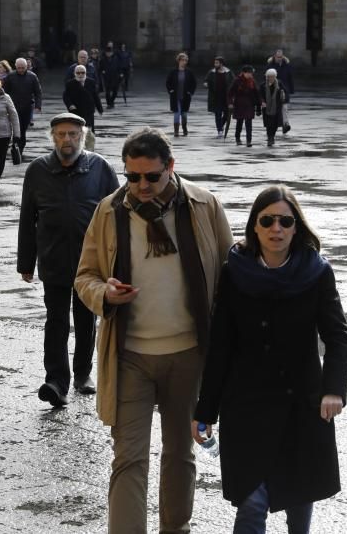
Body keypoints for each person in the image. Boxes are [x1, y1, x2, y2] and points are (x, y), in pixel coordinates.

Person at [75, 127, 233, 533]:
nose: (141, 186)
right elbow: (85, 276)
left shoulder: (203, 205)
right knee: (128, 456)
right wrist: (105, 293)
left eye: (151, 176)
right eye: (132, 177)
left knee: (181, 453)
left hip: (188, 354)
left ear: (171, 168)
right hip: (129, 355)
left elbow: (232, 276)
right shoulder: (109, 211)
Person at [192, 185, 347, 534]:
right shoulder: (235, 270)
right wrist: (205, 411)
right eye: (267, 220)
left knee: (299, 496)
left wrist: (333, 390)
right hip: (246, 404)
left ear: (296, 227)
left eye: (285, 221)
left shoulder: (317, 271)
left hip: (301, 405)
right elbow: (221, 345)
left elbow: (338, 337)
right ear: (255, 226)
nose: (276, 228)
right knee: (252, 501)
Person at [18, 113, 119, 408]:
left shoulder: (100, 168)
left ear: (83, 136)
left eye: (73, 134)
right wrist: (26, 262)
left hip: (91, 263)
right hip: (54, 259)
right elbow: (28, 218)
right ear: (53, 137)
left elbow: (117, 217)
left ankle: (83, 374)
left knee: (87, 320)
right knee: (56, 321)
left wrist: (118, 259)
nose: (67, 140)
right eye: (61, 134)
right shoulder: (38, 171)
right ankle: (56, 381)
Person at [4, 58, 44, 155]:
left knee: (22, 130)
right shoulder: (11, 76)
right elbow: (5, 92)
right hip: (13, 107)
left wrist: (38, 106)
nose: (21, 70)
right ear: (16, 67)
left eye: (23, 68)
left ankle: (20, 148)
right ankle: (15, 145)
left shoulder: (32, 76)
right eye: (19, 68)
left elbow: (38, 92)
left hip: (27, 107)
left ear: (27, 67)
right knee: (14, 128)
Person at [63, 64, 103, 146]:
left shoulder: (91, 82)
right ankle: (77, 146)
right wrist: (70, 105)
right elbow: (66, 96)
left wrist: (100, 109)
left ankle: (89, 148)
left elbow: (96, 96)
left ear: (85, 73)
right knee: (77, 129)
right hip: (76, 111)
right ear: (74, 73)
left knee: (89, 129)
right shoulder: (70, 84)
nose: (80, 75)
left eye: (82, 72)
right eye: (78, 73)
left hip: (88, 110)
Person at [227, 66, 262, 147]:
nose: (250, 74)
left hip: (250, 104)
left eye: (251, 73)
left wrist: (260, 103)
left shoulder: (252, 81)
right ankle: (237, 138)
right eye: (249, 73)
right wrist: (230, 103)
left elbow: (257, 93)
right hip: (239, 104)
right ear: (244, 73)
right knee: (239, 122)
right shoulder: (237, 81)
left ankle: (248, 140)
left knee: (248, 123)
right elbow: (230, 93)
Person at [166, 52, 197, 137]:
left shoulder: (189, 72)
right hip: (175, 96)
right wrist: (171, 90)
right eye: (182, 60)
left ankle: (184, 128)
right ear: (178, 61)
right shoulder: (173, 72)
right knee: (176, 113)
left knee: (184, 114)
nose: (184, 62)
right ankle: (176, 131)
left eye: (185, 60)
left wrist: (190, 92)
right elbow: (168, 82)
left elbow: (194, 83)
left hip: (185, 96)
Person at [204, 56, 235, 139]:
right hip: (215, 97)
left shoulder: (228, 72)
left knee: (226, 114)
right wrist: (206, 83)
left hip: (226, 97)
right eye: (215, 63)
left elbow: (234, 81)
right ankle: (220, 131)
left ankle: (220, 125)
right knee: (217, 114)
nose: (215, 64)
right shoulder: (212, 72)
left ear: (221, 64)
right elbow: (206, 79)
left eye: (217, 63)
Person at [266, 49, 295, 134]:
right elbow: (267, 78)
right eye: (278, 57)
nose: (279, 58)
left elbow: (290, 78)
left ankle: (285, 124)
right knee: (275, 109)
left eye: (281, 57)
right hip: (274, 90)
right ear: (274, 56)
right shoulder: (270, 66)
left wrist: (291, 89)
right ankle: (275, 126)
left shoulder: (287, 65)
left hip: (285, 90)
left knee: (284, 108)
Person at [260, 69, 287, 148]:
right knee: (269, 124)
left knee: (275, 124)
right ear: (267, 77)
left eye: (273, 76)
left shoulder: (279, 83)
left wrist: (284, 98)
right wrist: (262, 102)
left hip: (277, 107)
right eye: (269, 76)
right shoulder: (263, 85)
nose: (271, 78)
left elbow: (285, 92)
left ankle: (272, 136)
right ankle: (270, 138)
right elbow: (260, 95)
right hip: (266, 108)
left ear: (275, 76)